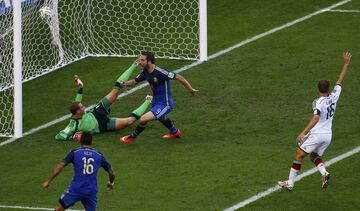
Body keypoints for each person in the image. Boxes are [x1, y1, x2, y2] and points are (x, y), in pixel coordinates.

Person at [278, 52, 352, 190]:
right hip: (328, 135)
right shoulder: (335, 95)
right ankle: (325, 173)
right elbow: (340, 81)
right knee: (313, 155)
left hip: (317, 134)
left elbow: (316, 117)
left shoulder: (319, 102)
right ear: (328, 89)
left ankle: (290, 183)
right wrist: (346, 64)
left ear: (318, 89)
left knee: (298, 155)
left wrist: (303, 132)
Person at [55, 61, 152, 141]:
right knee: (129, 122)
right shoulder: (73, 125)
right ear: (77, 112)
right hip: (102, 125)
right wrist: (71, 137)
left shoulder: (78, 110)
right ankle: (148, 101)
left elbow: (77, 100)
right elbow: (59, 135)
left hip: (97, 112)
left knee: (115, 91)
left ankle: (134, 64)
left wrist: (81, 88)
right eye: (81, 107)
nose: (84, 107)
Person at [119, 51, 198, 143]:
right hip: (156, 102)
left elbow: (179, 77)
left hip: (165, 104)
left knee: (143, 119)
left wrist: (190, 89)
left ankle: (132, 137)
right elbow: (135, 81)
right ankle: (175, 132)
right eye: (140, 60)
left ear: (149, 61)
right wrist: (125, 84)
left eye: (142, 60)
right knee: (161, 117)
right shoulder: (145, 72)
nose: (139, 62)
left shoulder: (161, 72)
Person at [43, 132, 115, 211]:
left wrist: (48, 181)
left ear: (80, 141)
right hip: (91, 191)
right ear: (91, 142)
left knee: (58, 209)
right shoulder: (99, 155)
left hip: (76, 189)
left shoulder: (74, 153)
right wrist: (111, 183)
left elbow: (59, 167)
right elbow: (112, 173)